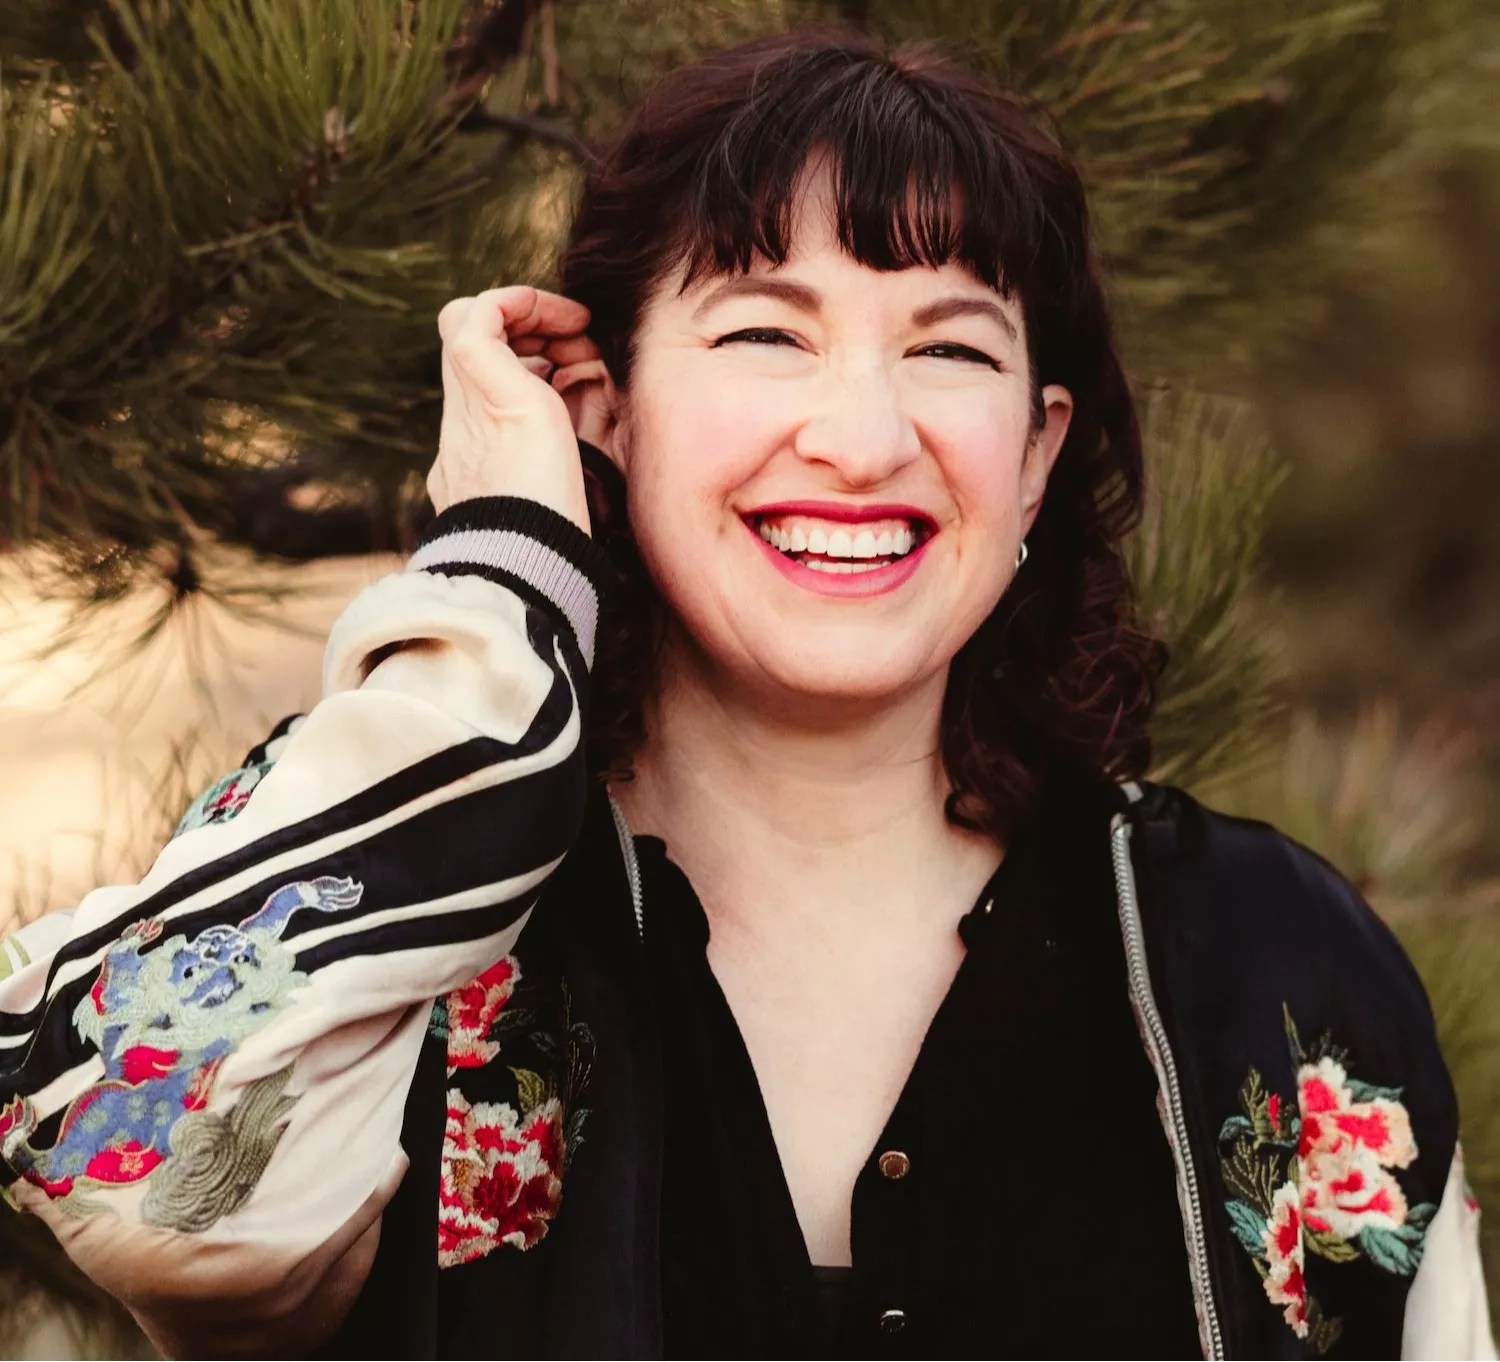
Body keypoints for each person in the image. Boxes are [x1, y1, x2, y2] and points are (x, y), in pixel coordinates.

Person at [0, 27, 1492, 1361]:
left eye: (949, 347)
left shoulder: (1269, 965)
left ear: (1035, 452)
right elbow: (132, 1176)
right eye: (766, 330)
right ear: (606, 412)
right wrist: (509, 578)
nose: (862, 437)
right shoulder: (415, 923)